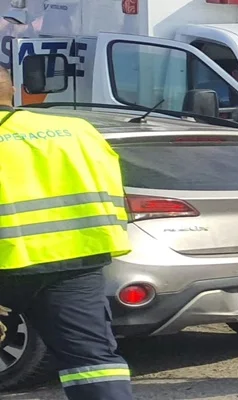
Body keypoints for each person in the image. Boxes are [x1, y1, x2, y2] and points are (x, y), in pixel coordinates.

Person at [0, 67, 134, 399]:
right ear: (12, 90)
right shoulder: (76, 130)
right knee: (92, 360)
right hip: (75, 258)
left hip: (8, 259)